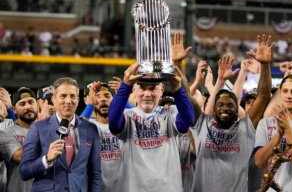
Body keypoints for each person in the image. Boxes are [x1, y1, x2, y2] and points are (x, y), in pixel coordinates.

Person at [191, 34, 274, 192]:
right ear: (213, 109)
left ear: (238, 110)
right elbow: (187, 100)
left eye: (230, 105)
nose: (225, 107)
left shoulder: (246, 128)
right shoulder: (203, 124)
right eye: (220, 104)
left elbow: (263, 96)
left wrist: (265, 65)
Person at [108, 63, 195, 192]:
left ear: (162, 89)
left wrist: (177, 88)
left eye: (153, 88)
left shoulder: (170, 113)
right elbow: (114, 122)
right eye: (142, 88)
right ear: (134, 90)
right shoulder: (128, 116)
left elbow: (188, 119)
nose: (147, 94)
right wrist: (125, 84)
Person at [19, 77, 102, 192]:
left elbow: (95, 173)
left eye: (73, 96)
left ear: (78, 100)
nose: (68, 101)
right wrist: (46, 159)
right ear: (53, 99)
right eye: (63, 96)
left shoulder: (90, 129)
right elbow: (24, 171)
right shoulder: (38, 128)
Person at [254, 74, 292, 192]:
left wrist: (288, 128)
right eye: (285, 91)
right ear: (280, 93)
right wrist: (277, 136)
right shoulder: (265, 123)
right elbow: (259, 162)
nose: (289, 96)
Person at [0, 87, 39, 192]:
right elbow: (21, 157)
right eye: (22, 104)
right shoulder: (6, 133)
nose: (27, 106)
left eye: (31, 102)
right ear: (14, 110)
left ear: (37, 105)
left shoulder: (49, 129)